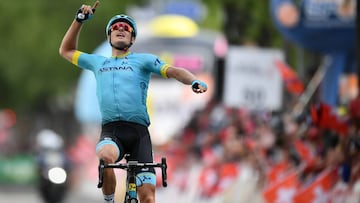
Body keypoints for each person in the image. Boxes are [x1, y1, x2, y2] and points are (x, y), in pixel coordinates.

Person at [59, 2, 207, 203]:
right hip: (112, 132)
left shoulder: (143, 60)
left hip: (139, 136)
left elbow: (173, 70)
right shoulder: (97, 62)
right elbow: (66, 50)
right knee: (105, 157)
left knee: (147, 198)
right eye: (116, 27)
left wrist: (193, 80)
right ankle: (110, 200)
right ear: (109, 36)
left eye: (126, 28)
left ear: (133, 38)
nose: (121, 29)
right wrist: (78, 21)